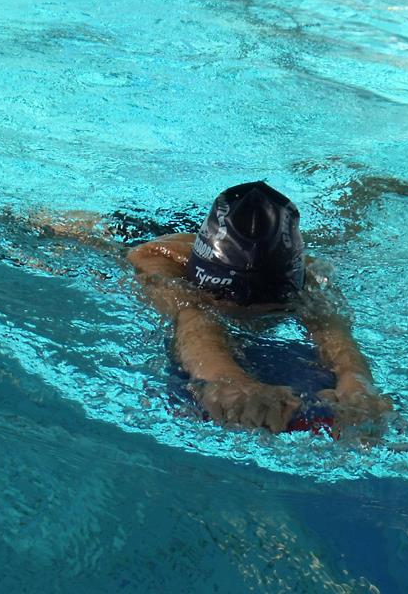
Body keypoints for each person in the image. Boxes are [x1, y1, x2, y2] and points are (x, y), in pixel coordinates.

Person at [125, 181, 393, 434]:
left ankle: (370, 188)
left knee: (343, 238)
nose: (253, 317)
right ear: (200, 284)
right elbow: (193, 319)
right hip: (140, 231)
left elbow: (332, 330)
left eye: (273, 309)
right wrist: (226, 379)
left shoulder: (309, 276)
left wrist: (357, 385)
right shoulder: (160, 270)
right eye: (229, 302)